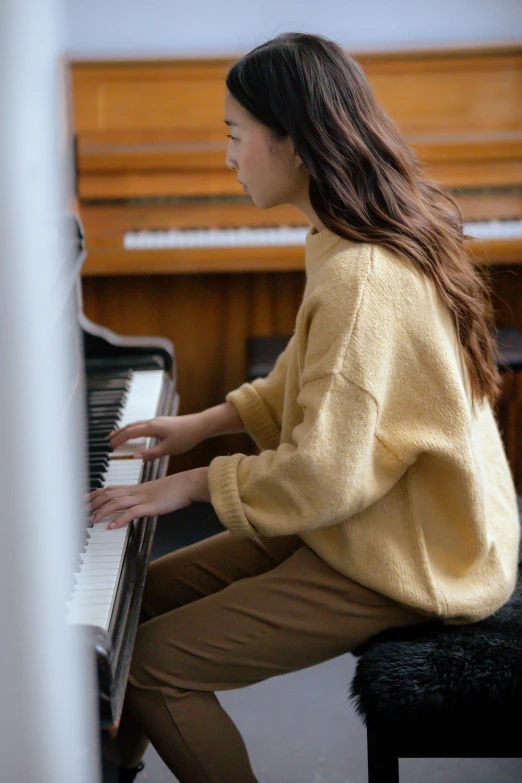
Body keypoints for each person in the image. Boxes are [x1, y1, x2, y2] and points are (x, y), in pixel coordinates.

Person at [90, 32, 520, 783]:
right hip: (376, 513)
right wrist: (203, 424)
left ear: (292, 143)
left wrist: (194, 481)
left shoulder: (359, 273)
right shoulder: (347, 229)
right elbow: (313, 378)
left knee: (156, 666)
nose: (227, 157)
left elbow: (323, 473)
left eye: (235, 136)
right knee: (134, 604)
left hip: (410, 551)